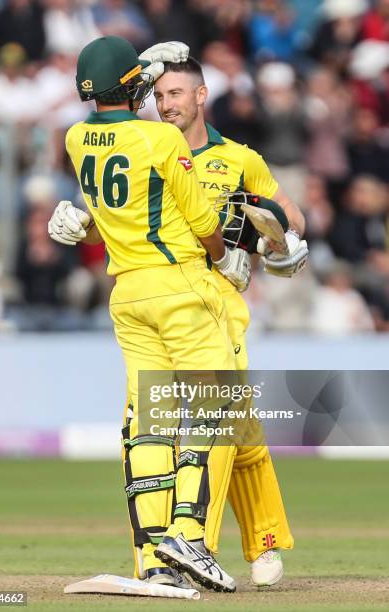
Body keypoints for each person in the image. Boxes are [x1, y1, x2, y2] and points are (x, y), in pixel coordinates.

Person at [48, 36, 252, 593]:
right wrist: (227, 257)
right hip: (180, 285)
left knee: (150, 422)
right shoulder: (160, 136)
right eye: (142, 78)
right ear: (133, 86)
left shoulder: (75, 136)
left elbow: (121, 182)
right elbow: (200, 217)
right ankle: (187, 532)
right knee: (216, 405)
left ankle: (150, 555)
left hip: (128, 294)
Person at [153, 56, 307, 586]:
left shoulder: (238, 158)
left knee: (211, 425)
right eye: (159, 96)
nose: (165, 104)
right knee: (234, 429)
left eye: (175, 93)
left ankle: (197, 545)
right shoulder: (146, 150)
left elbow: (291, 216)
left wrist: (278, 234)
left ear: (201, 96)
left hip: (220, 307)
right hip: (163, 302)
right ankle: (262, 542)